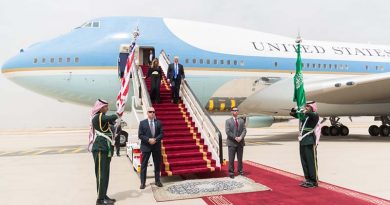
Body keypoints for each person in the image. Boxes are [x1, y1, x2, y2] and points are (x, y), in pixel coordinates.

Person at [89, 99, 120, 205]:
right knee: (101, 174)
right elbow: (111, 118)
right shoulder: (98, 116)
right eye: (106, 107)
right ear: (101, 108)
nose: (107, 108)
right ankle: (100, 200)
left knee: (105, 174)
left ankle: (103, 195)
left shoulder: (102, 118)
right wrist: (119, 112)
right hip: (100, 149)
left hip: (106, 149)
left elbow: (111, 122)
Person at [290, 101, 320, 188]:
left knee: (311, 162)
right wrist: (294, 110)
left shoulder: (314, 115)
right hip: (303, 140)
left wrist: (303, 111)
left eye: (308, 106)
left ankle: (314, 181)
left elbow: (311, 114)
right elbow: (293, 114)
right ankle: (308, 179)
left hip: (310, 140)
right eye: (305, 106)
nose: (306, 107)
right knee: (304, 161)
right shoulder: (305, 116)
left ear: (312, 107)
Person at [138, 107, 163, 189]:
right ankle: (142, 183)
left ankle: (157, 181)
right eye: (150, 112)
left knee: (157, 164)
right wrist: (148, 140)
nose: (152, 113)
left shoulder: (158, 122)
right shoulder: (142, 123)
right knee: (144, 165)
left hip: (156, 146)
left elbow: (162, 134)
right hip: (146, 147)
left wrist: (155, 139)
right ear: (147, 113)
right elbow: (140, 135)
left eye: (153, 112)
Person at [225, 107, 247, 179]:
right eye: (234, 110)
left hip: (240, 142)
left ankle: (240, 171)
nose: (235, 111)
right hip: (231, 143)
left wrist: (240, 137)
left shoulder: (241, 121)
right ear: (231, 112)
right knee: (231, 158)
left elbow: (244, 130)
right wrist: (235, 137)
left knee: (240, 158)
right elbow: (227, 131)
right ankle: (231, 172)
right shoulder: (228, 121)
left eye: (237, 110)